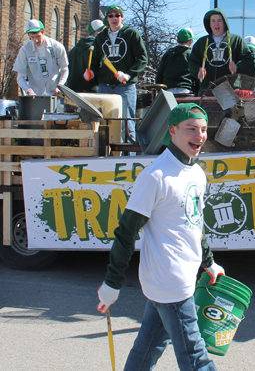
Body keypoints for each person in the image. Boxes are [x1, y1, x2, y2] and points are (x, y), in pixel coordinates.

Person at [97, 103, 225, 371]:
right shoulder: (155, 176)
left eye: (203, 130)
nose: (199, 135)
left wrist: (209, 261)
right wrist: (112, 283)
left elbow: (194, 224)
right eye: (191, 129)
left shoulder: (197, 173)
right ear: (173, 132)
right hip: (170, 281)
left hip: (178, 278)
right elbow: (126, 232)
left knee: (148, 347)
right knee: (196, 358)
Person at [87, 5, 148, 143]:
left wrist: (128, 75)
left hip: (125, 88)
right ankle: (103, 155)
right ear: (106, 18)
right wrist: (91, 73)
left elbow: (142, 58)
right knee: (103, 123)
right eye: (111, 15)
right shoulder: (101, 37)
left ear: (122, 17)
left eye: (117, 15)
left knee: (127, 123)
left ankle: (129, 158)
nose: (114, 18)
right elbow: (95, 61)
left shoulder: (132, 34)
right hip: (104, 87)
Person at [189, 7, 255, 93]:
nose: (216, 24)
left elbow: (248, 60)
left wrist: (237, 67)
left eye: (219, 20)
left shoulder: (236, 40)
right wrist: (197, 71)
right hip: (207, 89)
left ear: (225, 23)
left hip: (230, 89)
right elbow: (192, 61)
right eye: (213, 21)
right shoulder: (202, 42)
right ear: (209, 24)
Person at [13, 19, 69, 96]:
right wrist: (28, 90)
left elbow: (65, 70)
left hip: (53, 94)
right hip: (35, 95)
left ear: (43, 32)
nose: (36, 40)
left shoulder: (57, 47)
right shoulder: (25, 50)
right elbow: (20, 77)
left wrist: (60, 86)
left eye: (38, 36)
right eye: (32, 37)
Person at [66, 19, 106, 92]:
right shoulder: (98, 48)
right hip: (92, 91)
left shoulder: (73, 50)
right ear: (98, 32)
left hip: (74, 91)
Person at [156, 28, 198, 95]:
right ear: (190, 41)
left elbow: (159, 77)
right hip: (186, 91)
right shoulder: (192, 54)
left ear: (177, 40)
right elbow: (197, 75)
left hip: (169, 92)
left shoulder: (168, 54)